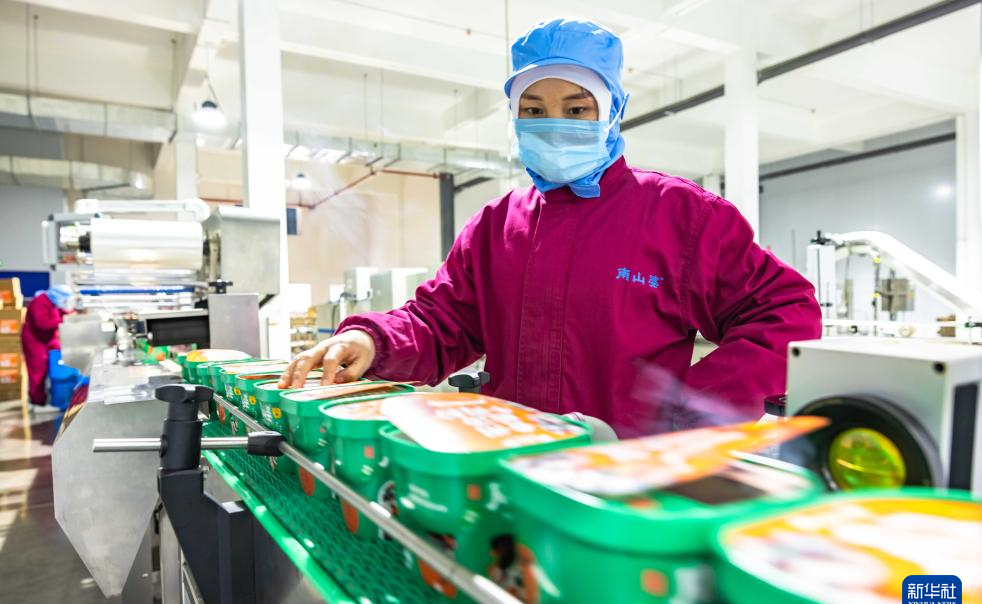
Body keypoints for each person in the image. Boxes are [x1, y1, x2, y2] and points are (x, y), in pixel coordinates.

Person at [280, 18, 822, 438]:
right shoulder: (496, 226)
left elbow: (786, 313)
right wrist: (371, 338)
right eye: (534, 110)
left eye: (577, 109)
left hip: (631, 477)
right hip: (508, 467)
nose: (553, 124)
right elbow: (441, 321)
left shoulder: (682, 216)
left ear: (612, 112)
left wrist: (685, 412)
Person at [21, 284, 71, 411]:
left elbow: (60, 313)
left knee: (53, 366)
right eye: (64, 299)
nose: (65, 302)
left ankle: (48, 397)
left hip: (47, 339)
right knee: (38, 372)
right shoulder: (40, 302)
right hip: (35, 341)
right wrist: (63, 321)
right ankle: (37, 403)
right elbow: (42, 323)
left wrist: (72, 315)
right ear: (57, 295)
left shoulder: (52, 302)